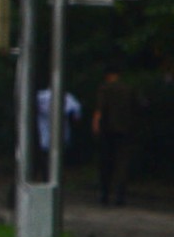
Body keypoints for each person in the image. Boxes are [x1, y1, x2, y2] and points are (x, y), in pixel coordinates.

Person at [93, 64, 145, 205]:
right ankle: (120, 195)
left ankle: (104, 194)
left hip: (107, 130)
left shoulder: (104, 88)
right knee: (122, 162)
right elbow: (141, 106)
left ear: (108, 75)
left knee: (106, 162)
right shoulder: (129, 89)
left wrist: (96, 125)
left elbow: (100, 109)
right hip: (125, 130)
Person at [33, 85, 82, 180]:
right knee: (56, 158)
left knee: (45, 158)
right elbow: (76, 115)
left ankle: (47, 177)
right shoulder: (67, 97)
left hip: (44, 136)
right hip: (61, 136)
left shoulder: (39, 96)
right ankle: (55, 177)